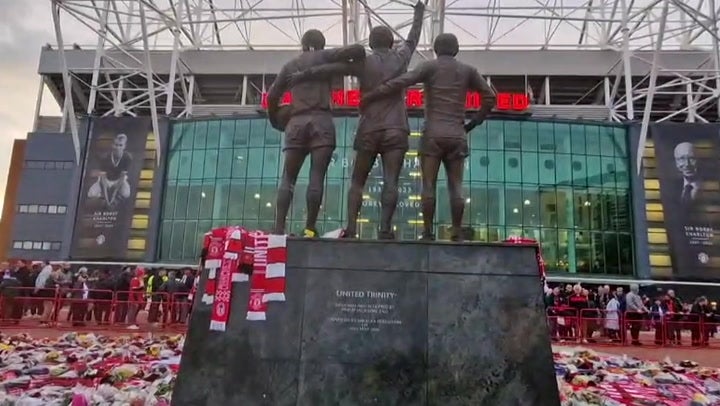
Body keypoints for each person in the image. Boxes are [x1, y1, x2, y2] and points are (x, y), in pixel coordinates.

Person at [287, 1, 425, 239]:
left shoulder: (363, 63)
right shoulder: (401, 58)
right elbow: (413, 37)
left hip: (369, 127)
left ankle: (351, 228)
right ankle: (384, 229)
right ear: (391, 42)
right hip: (396, 127)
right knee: (391, 181)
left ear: (370, 43)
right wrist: (419, 12)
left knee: (358, 181)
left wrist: (304, 74)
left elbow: (331, 68)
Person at [361, 33, 496, 241]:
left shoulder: (429, 67)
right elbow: (490, 97)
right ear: (456, 49)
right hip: (457, 134)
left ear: (435, 49)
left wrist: (374, 93)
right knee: (456, 187)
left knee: (428, 186)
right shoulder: (468, 71)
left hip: (432, 134)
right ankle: (456, 231)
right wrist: (474, 122)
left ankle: (427, 232)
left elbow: (403, 81)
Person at [266, 30, 366, 237]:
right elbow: (358, 51)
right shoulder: (325, 56)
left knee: (288, 178)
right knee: (317, 177)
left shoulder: (290, 66)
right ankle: (310, 228)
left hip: (296, 122)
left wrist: (275, 120)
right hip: (321, 121)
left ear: (303, 44)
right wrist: (328, 64)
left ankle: (278, 227)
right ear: (321, 44)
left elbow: (272, 96)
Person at [87, 133, 133, 207]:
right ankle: (102, 200)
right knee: (91, 194)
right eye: (116, 145)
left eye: (120, 145)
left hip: (118, 180)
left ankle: (117, 200)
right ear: (112, 145)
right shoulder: (105, 157)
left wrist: (113, 197)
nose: (118, 148)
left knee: (126, 193)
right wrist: (107, 199)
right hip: (106, 180)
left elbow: (122, 177)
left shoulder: (127, 157)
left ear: (124, 146)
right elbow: (103, 179)